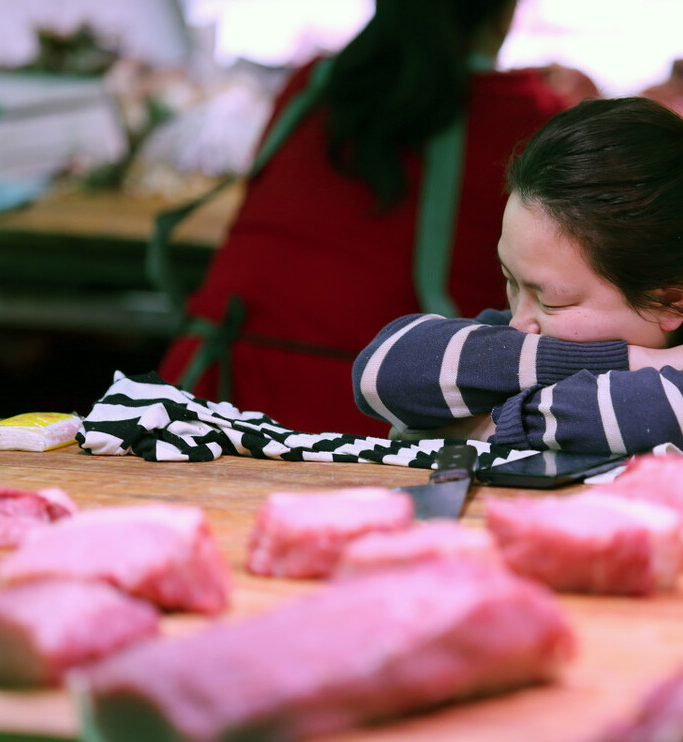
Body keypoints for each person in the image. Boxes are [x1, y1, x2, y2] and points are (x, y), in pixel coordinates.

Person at [353, 97, 683, 471]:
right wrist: (654, 361)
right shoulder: (541, 333)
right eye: (510, 281)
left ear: (669, 299)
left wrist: (479, 427)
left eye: (554, 298)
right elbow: (385, 370)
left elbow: (652, 417)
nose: (518, 320)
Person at [157, 0, 573, 436]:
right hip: (363, 419)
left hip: (201, 400)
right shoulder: (527, 118)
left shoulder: (315, 83)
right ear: (502, 11)